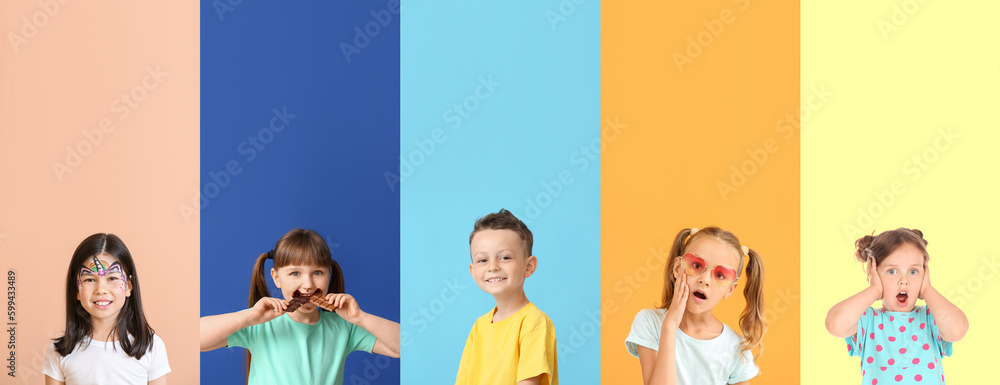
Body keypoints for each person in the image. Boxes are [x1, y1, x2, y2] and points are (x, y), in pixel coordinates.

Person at [200, 229, 400, 385]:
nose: (308, 284)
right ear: (276, 278)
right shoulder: (258, 322)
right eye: (295, 273)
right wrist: (248, 318)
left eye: (318, 272)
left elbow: (405, 347)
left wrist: (360, 318)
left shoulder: (345, 327)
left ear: (329, 275)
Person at [826, 228, 967, 384]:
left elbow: (958, 330)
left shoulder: (931, 317)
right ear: (873, 274)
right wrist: (874, 290)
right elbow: (834, 324)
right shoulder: (868, 321)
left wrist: (928, 290)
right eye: (892, 271)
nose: (904, 280)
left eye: (913, 271)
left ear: (925, 274)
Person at [625, 226, 765, 385]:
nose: (705, 279)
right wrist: (670, 325)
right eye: (697, 266)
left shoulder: (737, 349)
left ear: (730, 289)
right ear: (678, 268)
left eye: (720, 275)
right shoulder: (649, 322)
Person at [43, 233, 170, 385]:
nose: (101, 289)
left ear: (129, 286)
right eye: (89, 279)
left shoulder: (152, 347)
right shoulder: (59, 351)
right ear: (76, 289)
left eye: (112, 278)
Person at [455, 209, 558, 385]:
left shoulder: (534, 322)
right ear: (473, 271)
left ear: (529, 266)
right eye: (482, 260)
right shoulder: (479, 327)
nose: (493, 267)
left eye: (505, 257)